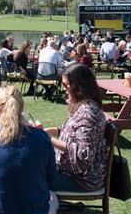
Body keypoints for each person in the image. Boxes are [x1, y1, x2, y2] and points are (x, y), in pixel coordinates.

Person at [0, 85, 59, 214]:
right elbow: (52, 179)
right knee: (53, 199)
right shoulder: (41, 137)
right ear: (21, 108)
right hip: (33, 209)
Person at [45, 64, 107, 193]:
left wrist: (49, 139)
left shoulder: (88, 114)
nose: (64, 89)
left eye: (66, 85)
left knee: (32, 178)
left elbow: (83, 154)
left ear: (78, 87)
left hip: (82, 180)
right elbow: (75, 131)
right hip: (73, 173)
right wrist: (53, 130)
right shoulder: (85, 106)